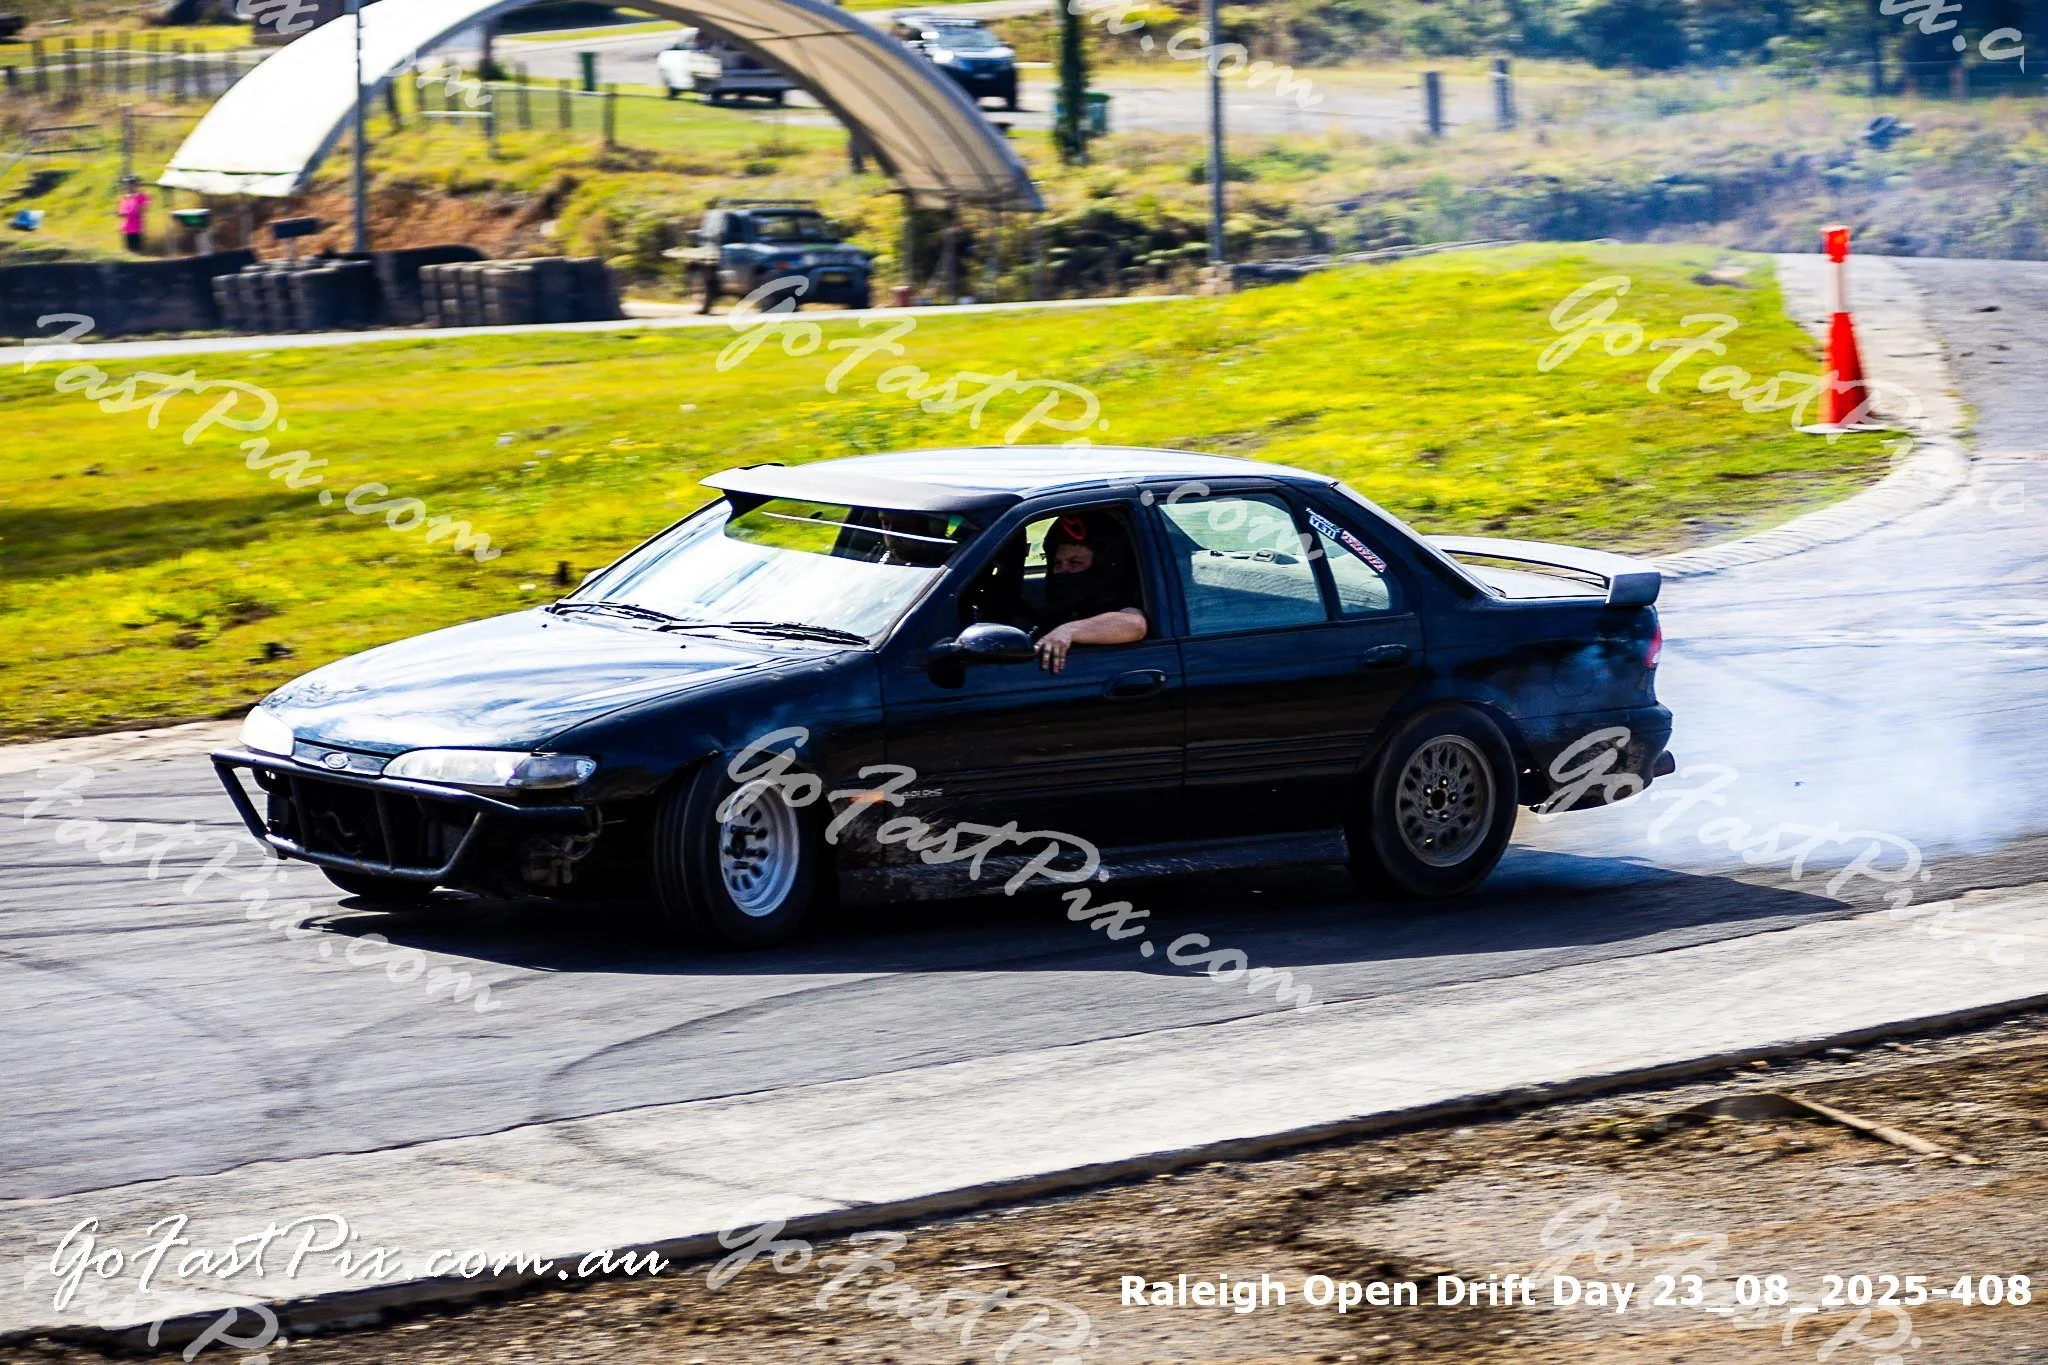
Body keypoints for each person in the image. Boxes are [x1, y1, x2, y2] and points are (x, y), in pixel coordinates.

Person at [1031, 514, 1147, 674]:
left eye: (1075, 562)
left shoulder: (1116, 596)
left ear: (1100, 565)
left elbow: (1135, 624)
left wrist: (1068, 632)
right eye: (1057, 563)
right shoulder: (1057, 604)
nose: (1064, 570)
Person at [117, 178, 148, 254]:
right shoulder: (124, 198)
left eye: (130, 185)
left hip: (136, 228)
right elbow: (121, 211)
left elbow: (141, 209)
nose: (127, 187)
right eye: (126, 185)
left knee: (137, 250)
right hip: (127, 228)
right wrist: (122, 216)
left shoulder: (140, 197)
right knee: (128, 251)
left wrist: (128, 213)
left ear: (135, 185)